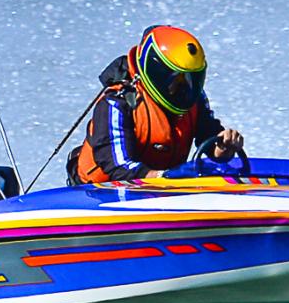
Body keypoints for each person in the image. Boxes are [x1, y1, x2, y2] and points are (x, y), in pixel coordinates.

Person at [68, 25, 243, 184]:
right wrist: (163, 178)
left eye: (190, 79)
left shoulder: (193, 98)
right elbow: (118, 166)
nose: (182, 87)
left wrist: (223, 147)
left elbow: (209, 137)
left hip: (162, 190)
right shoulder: (117, 102)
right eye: (177, 78)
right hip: (96, 193)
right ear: (157, 72)